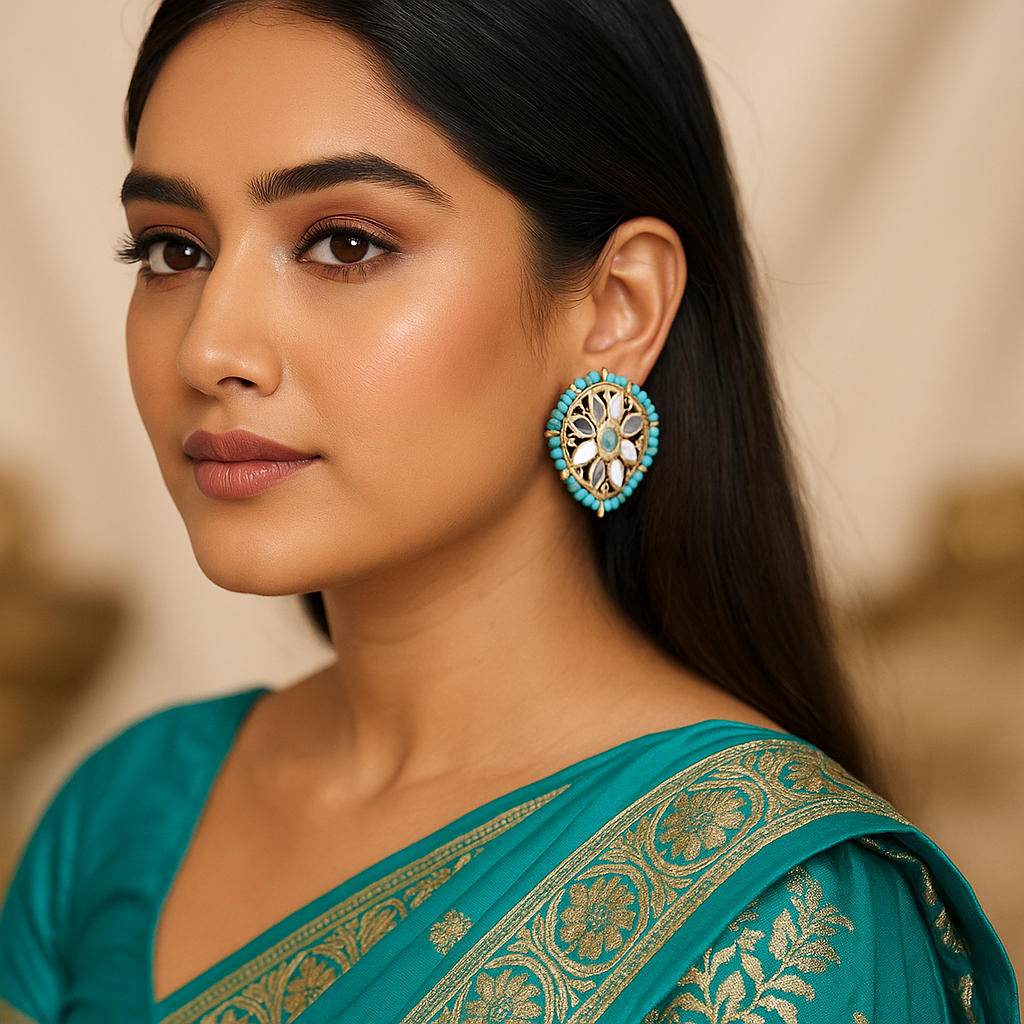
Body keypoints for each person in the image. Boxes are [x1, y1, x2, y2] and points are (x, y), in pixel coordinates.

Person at [0, 0, 1017, 1020]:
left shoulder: (778, 909)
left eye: (344, 243)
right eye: (172, 251)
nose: (209, 349)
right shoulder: (123, 817)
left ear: (616, 306)